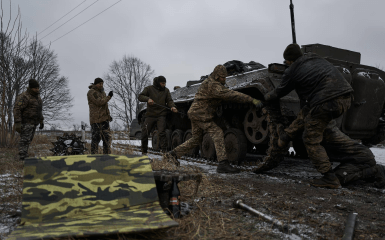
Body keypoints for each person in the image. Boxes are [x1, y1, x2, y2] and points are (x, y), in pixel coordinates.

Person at [264, 43, 385, 189]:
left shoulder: (293, 70)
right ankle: (285, 137)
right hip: (345, 97)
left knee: (310, 138)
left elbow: (279, 92)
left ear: (289, 60)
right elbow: (306, 110)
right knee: (322, 126)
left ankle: (329, 178)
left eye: (287, 61)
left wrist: (265, 98)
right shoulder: (315, 58)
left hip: (325, 100)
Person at [168, 65, 263, 173]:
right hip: (201, 114)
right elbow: (231, 94)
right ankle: (223, 164)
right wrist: (251, 100)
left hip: (196, 113)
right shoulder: (213, 85)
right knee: (217, 133)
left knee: (196, 139)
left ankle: (172, 155)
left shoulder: (211, 82)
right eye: (223, 77)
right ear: (217, 76)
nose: (224, 79)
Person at [277, 106, 385, 189]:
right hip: (358, 157)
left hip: (361, 158)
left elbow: (298, 130)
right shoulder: (319, 119)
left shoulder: (322, 128)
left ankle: (376, 170)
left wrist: (283, 134)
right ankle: (368, 172)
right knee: (349, 177)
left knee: (337, 179)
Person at [138, 76, 177, 154]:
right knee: (145, 133)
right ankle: (144, 152)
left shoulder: (166, 91)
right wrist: (148, 99)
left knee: (162, 133)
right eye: (162, 83)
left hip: (161, 115)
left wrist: (172, 106)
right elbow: (140, 96)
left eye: (165, 83)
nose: (164, 85)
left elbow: (169, 100)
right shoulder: (149, 89)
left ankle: (164, 152)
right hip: (150, 114)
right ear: (158, 83)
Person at [13, 79, 44, 161]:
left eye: (38, 88)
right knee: (25, 140)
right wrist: (18, 123)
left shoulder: (38, 98)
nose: (37, 89)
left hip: (34, 123)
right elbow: (17, 109)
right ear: (30, 88)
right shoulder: (24, 96)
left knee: (29, 140)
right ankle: (22, 157)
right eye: (35, 88)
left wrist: (41, 121)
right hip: (25, 122)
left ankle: (24, 155)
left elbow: (39, 110)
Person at [87, 78, 113, 154]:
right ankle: (94, 156)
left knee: (107, 139)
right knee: (96, 139)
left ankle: (106, 156)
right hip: (96, 120)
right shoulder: (92, 92)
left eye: (102, 84)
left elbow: (105, 106)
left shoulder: (102, 93)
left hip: (104, 119)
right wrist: (109, 97)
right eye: (99, 84)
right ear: (95, 84)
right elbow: (99, 102)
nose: (101, 85)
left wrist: (108, 116)